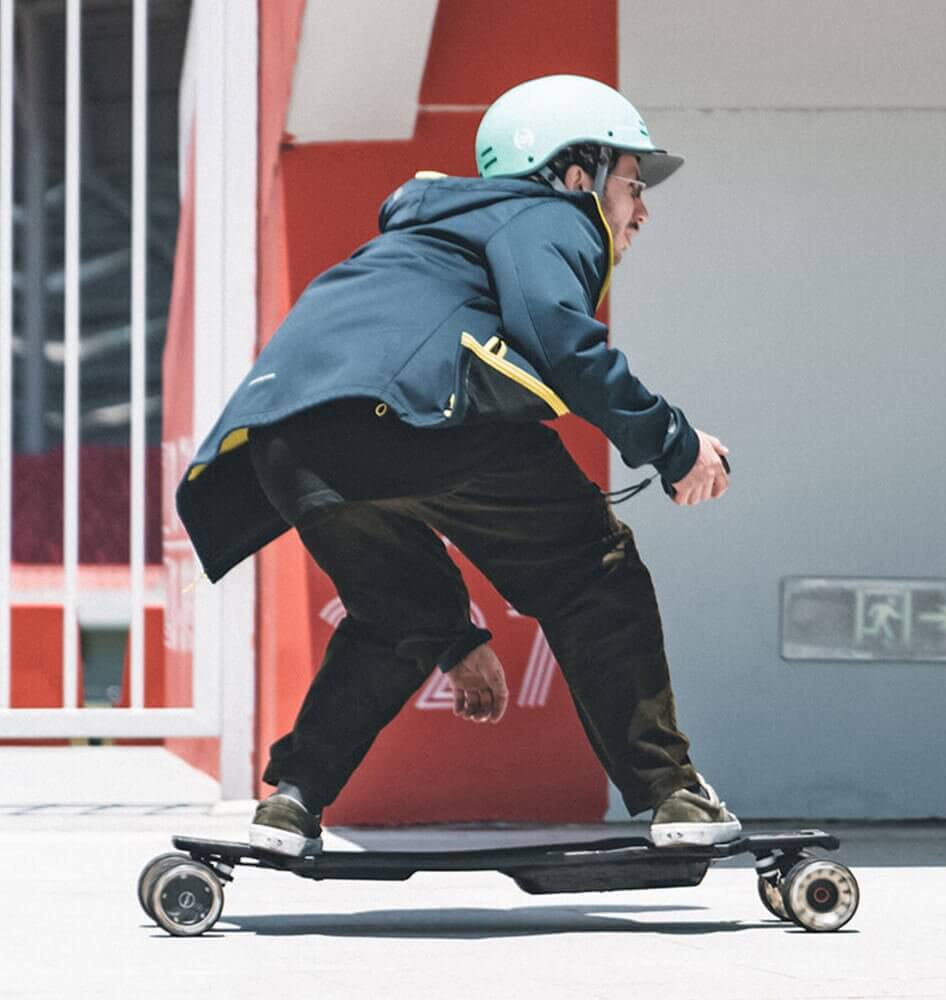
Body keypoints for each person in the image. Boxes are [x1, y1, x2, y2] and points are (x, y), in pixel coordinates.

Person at [176, 74, 739, 857]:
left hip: (287, 443)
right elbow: (559, 340)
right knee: (595, 579)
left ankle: (293, 801)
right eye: (632, 184)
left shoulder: (418, 238)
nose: (642, 210)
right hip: (415, 418)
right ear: (577, 174)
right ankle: (672, 794)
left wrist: (453, 638)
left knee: (396, 615)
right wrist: (676, 446)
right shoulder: (551, 213)